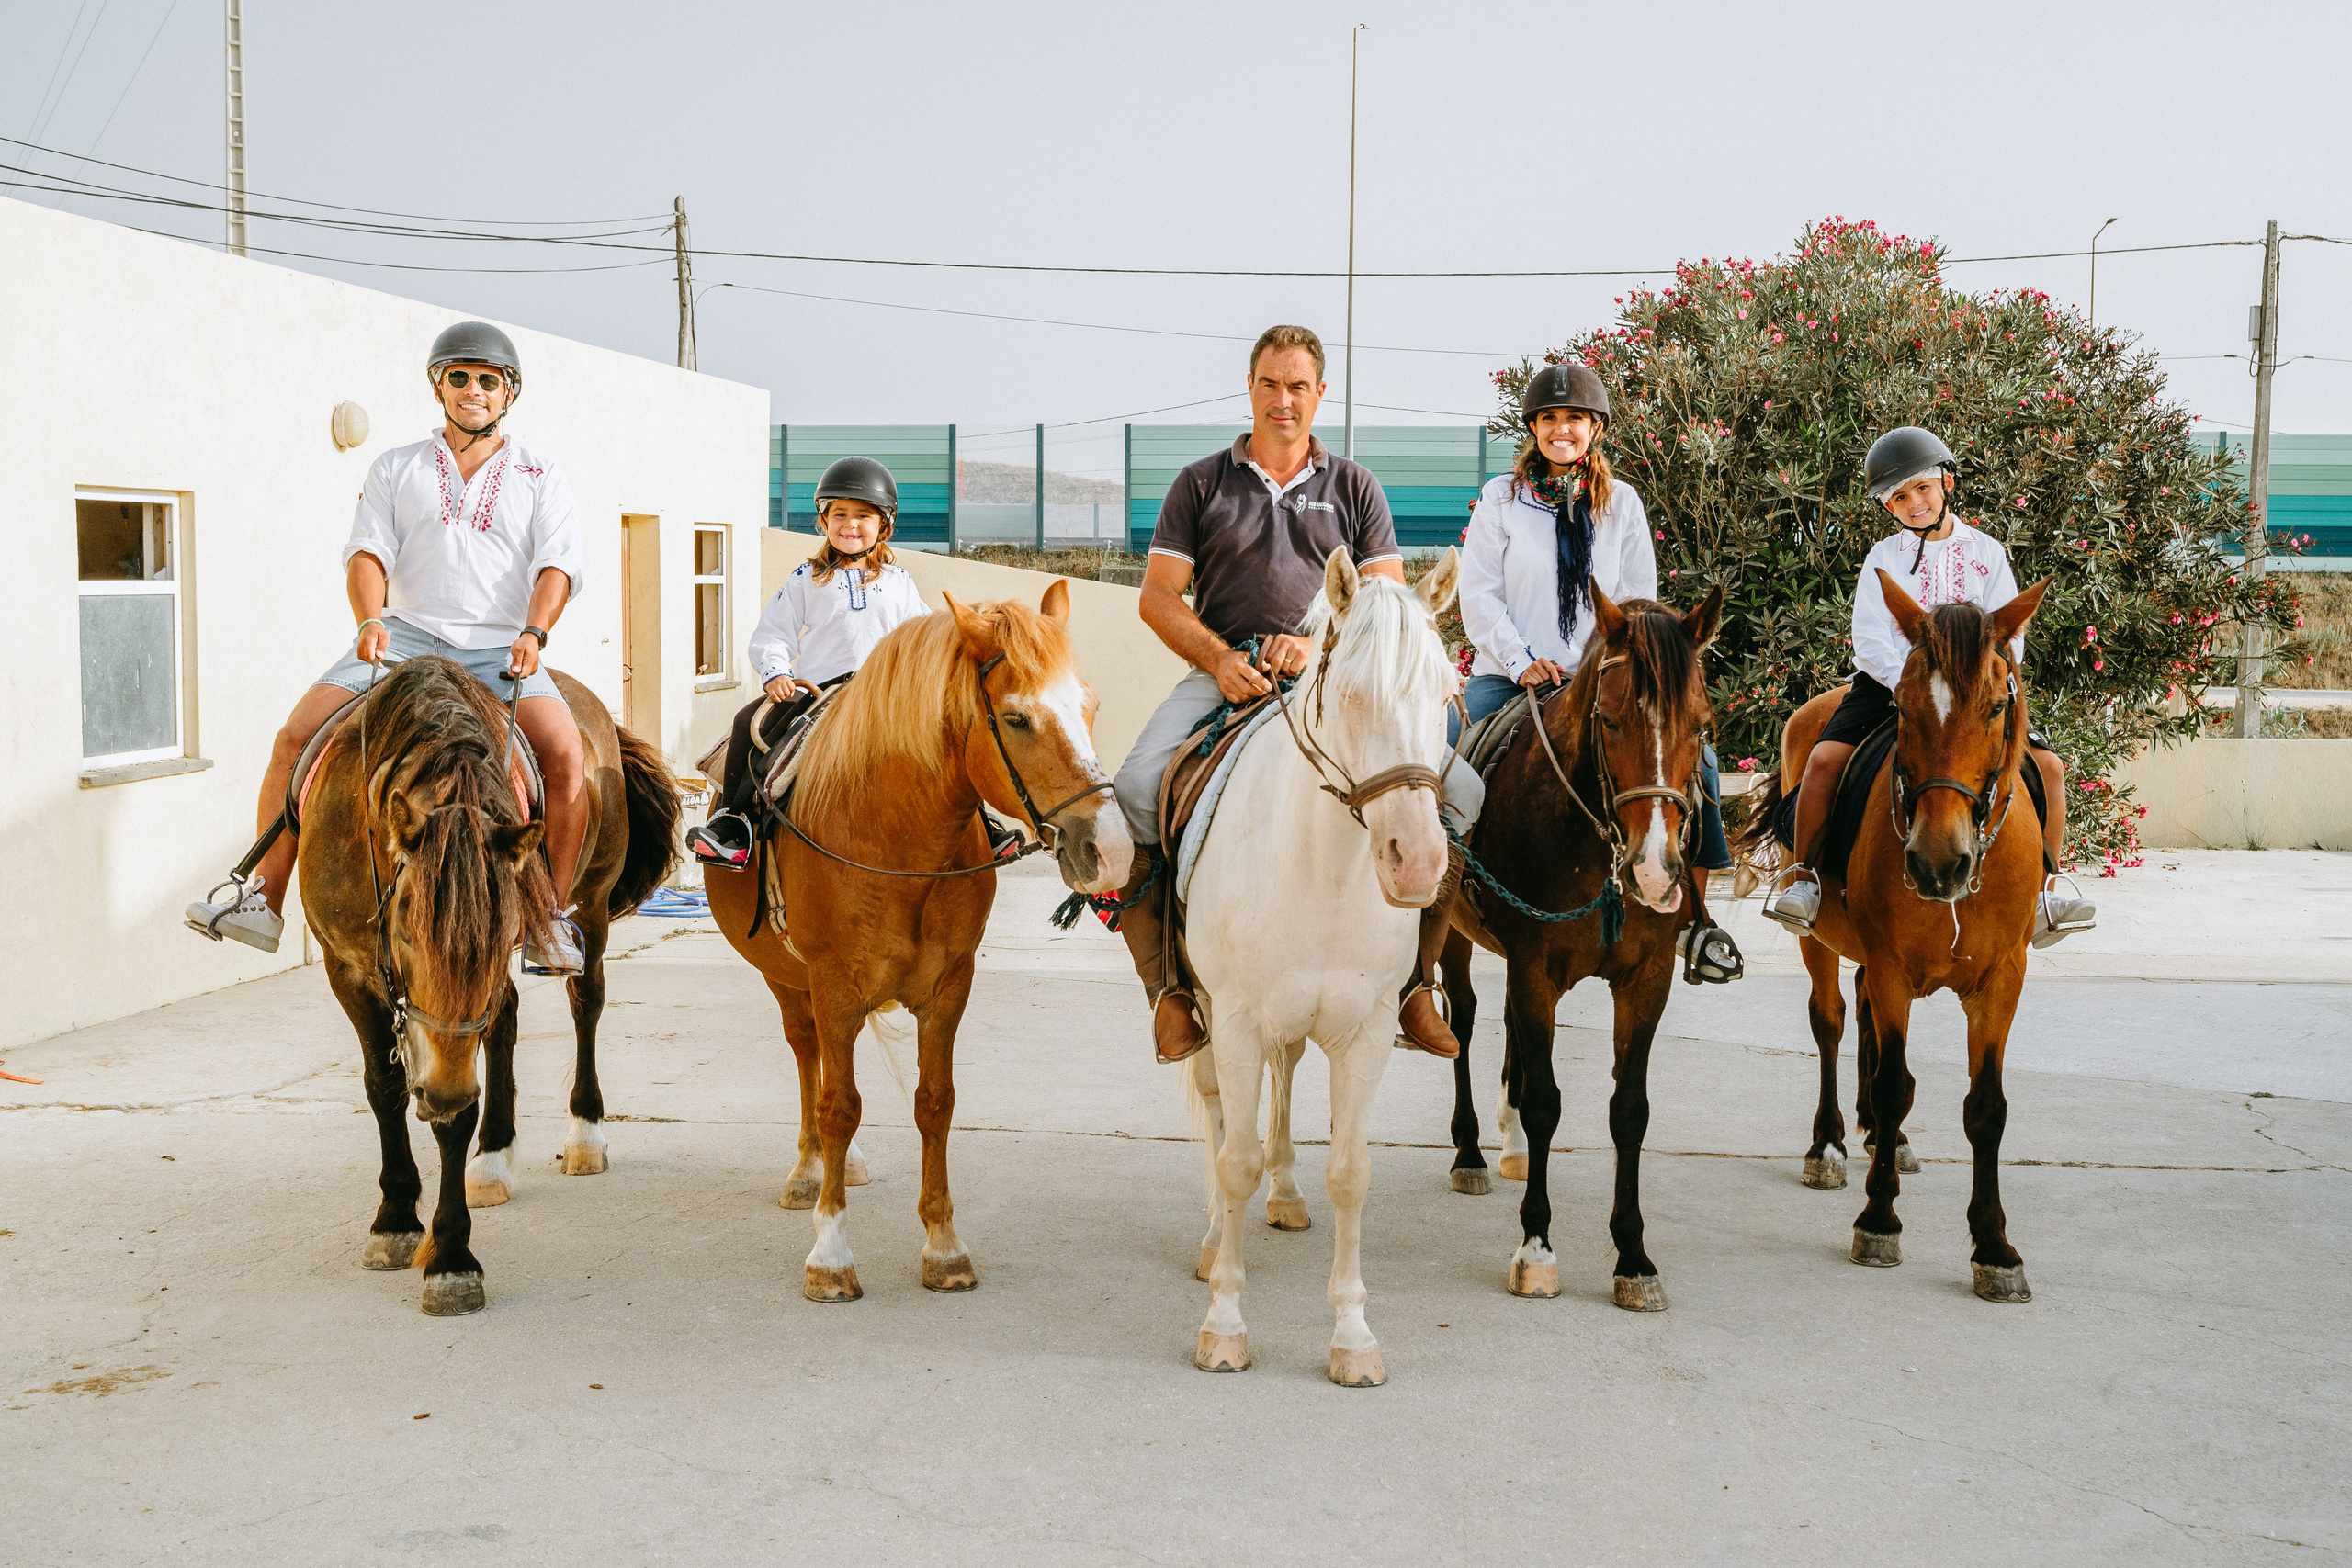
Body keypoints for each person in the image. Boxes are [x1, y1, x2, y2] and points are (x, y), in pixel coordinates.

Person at [1102, 323, 1478, 1066]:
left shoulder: (1356, 488)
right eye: (1270, 384)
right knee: (1135, 792)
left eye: (1298, 386)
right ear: (1250, 387)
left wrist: (1313, 649)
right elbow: (1158, 597)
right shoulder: (1200, 483)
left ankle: (1414, 982)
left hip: (1335, 682)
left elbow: (1386, 610)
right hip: (1224, 671)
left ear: (1320, 393)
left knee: (1464, 791)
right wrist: (1217, 658)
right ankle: (1168, 988)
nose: (1284, 399)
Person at [185, 321, 591, 975]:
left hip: (500, 649)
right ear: (438, 386)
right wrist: (369, 620)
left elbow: (557, 567)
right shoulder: (397, 466)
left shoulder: (542, 475)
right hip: (403, 641)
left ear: (509, 393)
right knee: (294, 738)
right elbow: (367, 552)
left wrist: (534, 632)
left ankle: (550, 920)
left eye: (488, 380)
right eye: (459, 377)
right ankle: (262, 898)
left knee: (568, 758)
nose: (473, 390)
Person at [1456, 363, 1743, 985]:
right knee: (1444, 758)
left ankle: (1696, 918)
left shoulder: (1623, 504)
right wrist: (1521, 660)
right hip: (1511, 676)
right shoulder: (1500, 500)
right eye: (1550, 418)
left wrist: (1614, 668)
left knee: (1699, 760)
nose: (1562, 429)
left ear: (1596, 430)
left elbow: (1639, 601)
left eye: (1575, 419)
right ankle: (1431, 911)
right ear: (1534, 427)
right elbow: (1478, 597)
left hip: (1607, 679)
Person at [1763, 426, 2096, 946]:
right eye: (1900, 497)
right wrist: (1911, 683)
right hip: (1894, 686)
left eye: (1922, 488)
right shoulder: (1883, 557)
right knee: (1824, 759)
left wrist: (1978, 678)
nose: (1914, 503)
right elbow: (1869, 636)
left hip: (1973, 692)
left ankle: (2046, 889)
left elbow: (2009, 634)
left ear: (1947, 484)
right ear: (1888, 506)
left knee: (2049, 768)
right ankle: (1804, 876)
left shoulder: (1987, 551)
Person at [688, 457, 933, 867]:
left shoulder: (900, 582)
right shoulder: (807, 577)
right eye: (840, 514)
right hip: (819, 692)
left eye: (863, 516)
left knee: (957, 731)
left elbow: (922, 635)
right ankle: (731, 823)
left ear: (884, 525)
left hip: (885, 694)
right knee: (747, 722)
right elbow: (773, 632)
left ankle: (983, 826)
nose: (850, 524)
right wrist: (776, 672)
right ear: (823, 521)